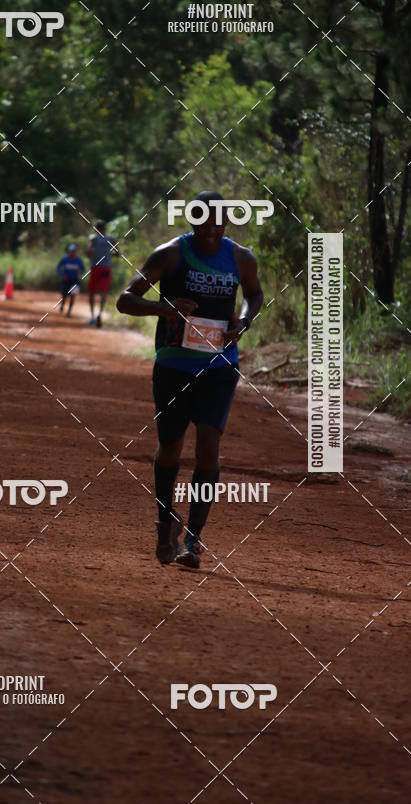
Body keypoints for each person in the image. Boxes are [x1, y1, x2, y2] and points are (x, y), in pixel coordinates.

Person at [116, 191, 263, 568]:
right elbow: (126, 299)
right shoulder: (171, 254)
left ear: (227, 222)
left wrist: (243, 321)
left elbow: (254, 295)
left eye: (220, 222)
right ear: (193, 220)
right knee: (170, 448)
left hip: (219, 366)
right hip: (174, 366)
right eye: (205, 222)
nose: (212, 229)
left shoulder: (241, 258)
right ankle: (166, 519)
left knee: (209, 445)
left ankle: (193, 540)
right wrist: (162, 309)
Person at [86, 220, 119, 327]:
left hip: (95, 267)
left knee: (92, 292)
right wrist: (108, 253)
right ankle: (100, 313)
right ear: (105, 229)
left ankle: (92, 316)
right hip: (106, 268)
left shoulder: (93, 238)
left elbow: (89, 253)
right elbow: (117, 253)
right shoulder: (111, 239)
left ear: (96, 229)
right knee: (103, 292)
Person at [57, 243, 85, 316]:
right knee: (64, 295)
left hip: (75, 281)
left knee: (73, 296)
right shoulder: (64, 259)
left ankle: (69, 311)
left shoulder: (79, 260)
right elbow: (58, 268)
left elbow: (83, 270)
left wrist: (80, 272)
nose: (72, 253)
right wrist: (62, 275)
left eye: (74, 251)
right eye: (71, 251)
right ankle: (62, 305)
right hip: (66, 281)